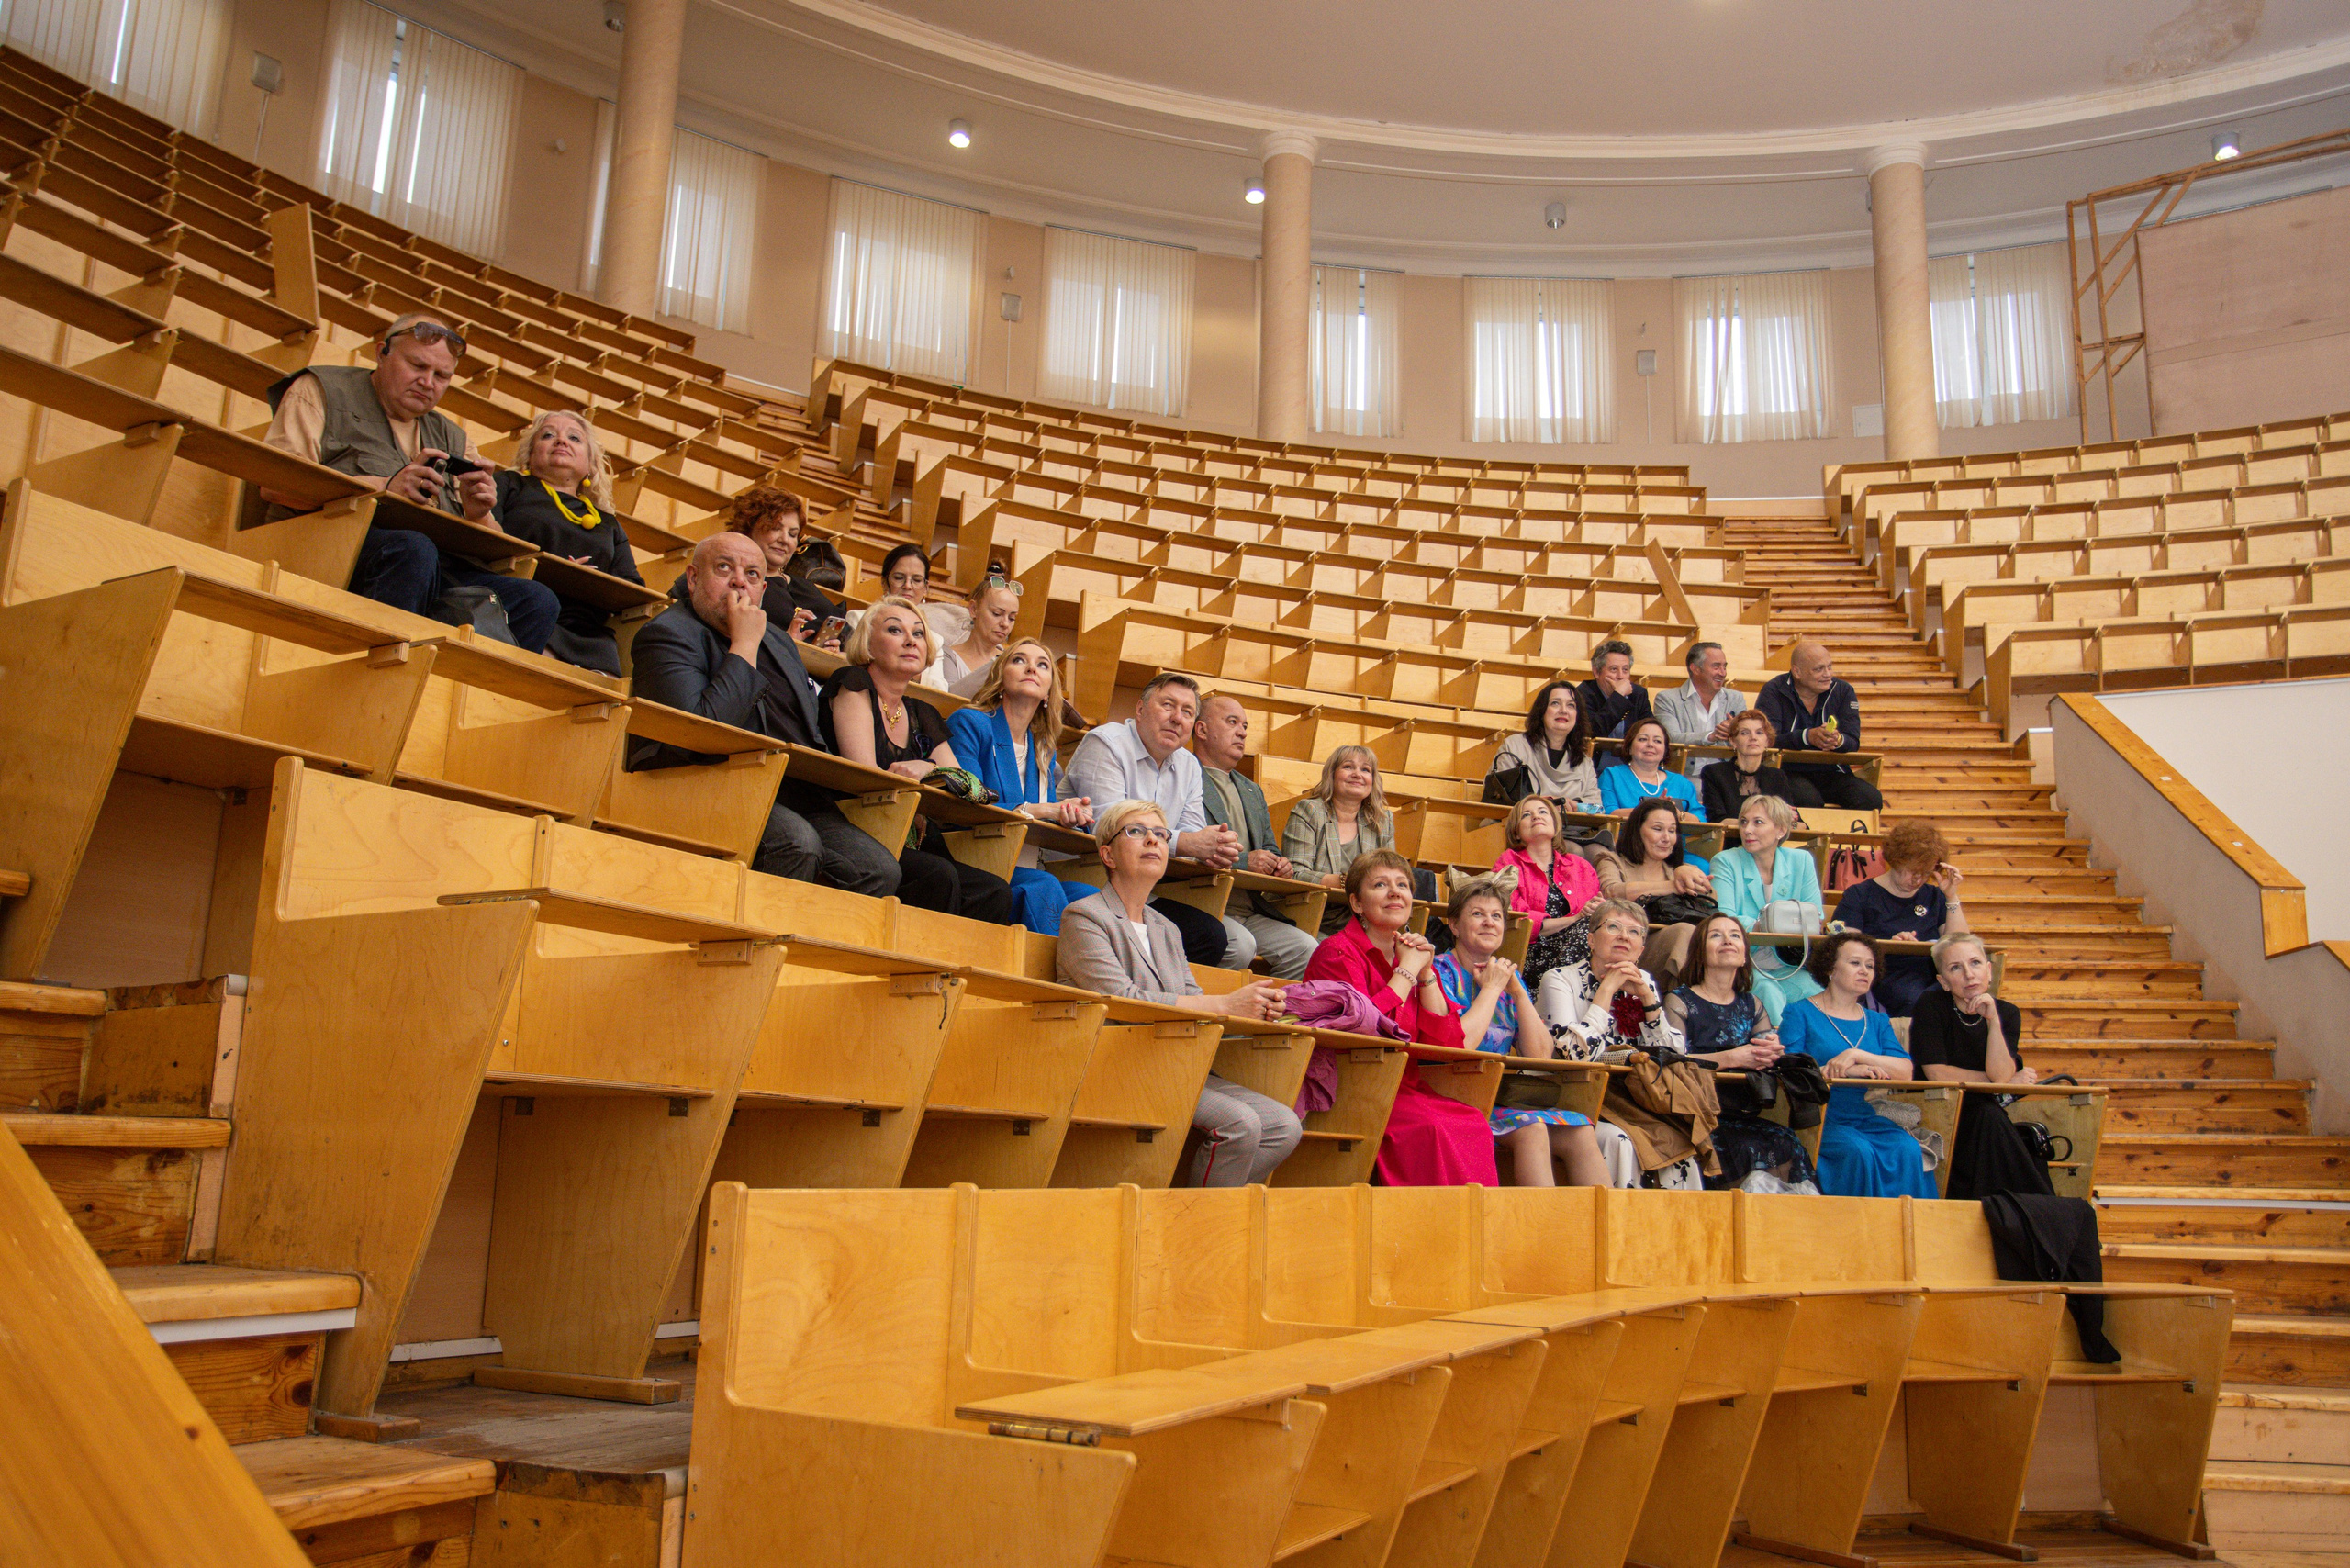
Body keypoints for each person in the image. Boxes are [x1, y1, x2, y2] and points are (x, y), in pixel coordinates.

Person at [260, 312, 557, 650]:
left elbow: (492, 542)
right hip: (328, 545)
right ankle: (381, 666)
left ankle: (470, 695)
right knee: (413, 549)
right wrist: (385, 486)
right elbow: (275, 484)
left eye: (442, 375)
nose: (428, 382)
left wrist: (478, 515)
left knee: (537, 599)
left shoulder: (454, 436)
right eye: (417, 366)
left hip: (431, 566)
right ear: (381, 353)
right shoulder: (320, 389)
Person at [625, 532, 900, 897]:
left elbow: (806, 729)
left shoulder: (778, 639)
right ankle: (759, 948)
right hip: (704, 779)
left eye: (753, 574)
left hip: (789, 785)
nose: (740, 581)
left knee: (879, 869)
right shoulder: (667, 633)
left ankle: (807, 951)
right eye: (724, 568)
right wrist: (744, 645)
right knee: (797, 844)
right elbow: (701, 732)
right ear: (693, 578)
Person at [1056, 801, 1300, 1186]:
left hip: (1174, 1058)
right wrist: (1224, 1003)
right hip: (1117, 1066)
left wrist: (1255, 1013)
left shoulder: (1166, 927)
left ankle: (1211, 1219)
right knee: (1242, 1123)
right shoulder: (1084, 916)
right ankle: (1200, 1231)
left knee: (1284, 1126)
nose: (1153, 839)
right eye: (1136, 831)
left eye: (1161, 834)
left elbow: (1191, 996)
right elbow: (1122, 1000)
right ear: (1108, 854)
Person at [819, 596, 1015, 924]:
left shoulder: (924, 712)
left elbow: (974, 788)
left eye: (919, 633)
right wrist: (928, 789)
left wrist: (931, 769)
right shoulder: (853, 685)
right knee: (937, 876)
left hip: (912, 833)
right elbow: (867, 780)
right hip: (855, 823)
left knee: (993, 890)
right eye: (895, 630)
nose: (911, 640)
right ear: (867, 645)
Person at [1304, 850, 1493, 1186]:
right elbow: (1365, 1029)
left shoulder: (1411, 956)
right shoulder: (1336, 951)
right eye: (1380, 884)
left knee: (1473, 1122)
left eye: (1403, 885)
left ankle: (1472, 1231)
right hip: (1351, 1084)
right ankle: (1422, 1229)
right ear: (1357, 904)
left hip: (1404, 1086)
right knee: (1431, 1128)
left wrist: (1425, 974)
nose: (1395, 892)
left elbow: (1445, 1045)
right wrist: (1407, 971)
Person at [1065, 673, 1257, 969]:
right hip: (1088, 878)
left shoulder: (1189, 764)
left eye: (1187, 712)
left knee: (1221, 940)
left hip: (1147, 888)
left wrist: (1217, 847)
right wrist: (1191, 843)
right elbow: (1108, 825)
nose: (1177, 718)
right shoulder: (1105, 742)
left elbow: (1193, 831)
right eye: (1168, 705)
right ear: (1140, 709)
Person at [1433, 876, 1610, 1188]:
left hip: (1497, 1096)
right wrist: (1492, 989)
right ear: (1455, 925)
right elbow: (1460, 1044)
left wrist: (1517, 992)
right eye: (1477, 914)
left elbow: (1540, 1056)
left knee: (1580, 1130)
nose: (1489, 923)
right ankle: (1538, 1231)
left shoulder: (1508, 980)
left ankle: (1605, 1233)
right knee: (1532, 1129)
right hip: (1450, 1092)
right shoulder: (1439, 971)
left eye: (1497, 916)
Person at [946, 638, 1097, 935]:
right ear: (1001, 677)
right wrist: (1040, 810)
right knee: (1044, 886)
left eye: (1043, 665)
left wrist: (1069, 815)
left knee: (1092, 897)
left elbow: (1047, 816)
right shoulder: (971, 723)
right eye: (1019, 660)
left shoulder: (1043, 747)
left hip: (1025, 863)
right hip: (975, 858)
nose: (1031, 668)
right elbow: (967, 803)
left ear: (1048, 692)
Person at [1775, 933, 1939, 1198]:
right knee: (1857, 1151)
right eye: (1855, 963)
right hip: (1818, 1116)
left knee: (1907, 1148)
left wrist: (1857, 1055)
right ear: (1830, 968)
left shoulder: (1877, 1021)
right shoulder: (1800, 1012)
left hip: (1861, 1115)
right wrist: (1845, 1070)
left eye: (1870, 966)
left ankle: (1912, 1232)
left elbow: (1905, 1071)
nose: (1864, 971)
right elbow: (1788, 1068)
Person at [1663, 914, 1819, 1192]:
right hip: (1699, 1115)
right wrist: (1732, 1058)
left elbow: (1764, 1054)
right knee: (1743, 1148)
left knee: (1787, 1142)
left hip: (1742, 1111)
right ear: (1700, 949)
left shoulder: (1752, 1004)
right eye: (1716, 935)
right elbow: (1673, 1063)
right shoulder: (1680, 1000)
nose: (1727, 941)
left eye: (1735, 935)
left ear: (1745, 952)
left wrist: (1771, 1052)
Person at [490, 410, 643, 676]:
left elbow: (632, 588)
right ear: (529, 454)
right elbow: (484, 542)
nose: (561, 441)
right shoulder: (508, 484)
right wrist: (559, 573)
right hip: (521, 608)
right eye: (548, 435)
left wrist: (589, 583)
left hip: (589, 632)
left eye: (574, 438)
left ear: (590, 464)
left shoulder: (608, 523)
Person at [1911, 933, 2052, 1200]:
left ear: (1989, 971)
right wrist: (2004, 1085)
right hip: (1940, 1107)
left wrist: (1993, 1022)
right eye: (1955, 968)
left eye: (1975, 963)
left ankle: (2012, 1209)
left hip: (1986, 1114)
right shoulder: (1930, 1006)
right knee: (1992, 1121)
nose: (1968, 975)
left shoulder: (2007, 1012)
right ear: (1942, 981)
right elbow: (1937, 1073)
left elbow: (1999, 1074)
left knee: (1991, 1120)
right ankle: (2033, 1207)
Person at [1191, 694, 1318, 979]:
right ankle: (1209, 1013)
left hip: (1250, 908)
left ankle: (1268, 1021)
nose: (1242, 732)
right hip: (1202, 902)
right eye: (1232, 722)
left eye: (1245, 726)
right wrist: (1246, 861)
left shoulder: (1252, 790)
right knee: (1240, 947)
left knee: (1306, 949)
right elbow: (1186, 846)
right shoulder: (1184, 775)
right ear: (1201, 730)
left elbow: (1270, 848)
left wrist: (1279, 865)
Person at [1708, 794, 1826, 1025]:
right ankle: (1779, 1056)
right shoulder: (1725, 861)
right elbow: (1724, 918)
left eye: (1758, 822)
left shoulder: (1801, 860)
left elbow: (1815, 917)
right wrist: (1777, 924)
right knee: (1769, 993)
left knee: (1815, 991)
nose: (1747, 830)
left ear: (1781, 830)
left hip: (1788, 962)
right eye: (1743, 822)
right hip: (1743, 962)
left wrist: (1768, 924)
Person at [1832, 821, 1969, 1017]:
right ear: (1896, 861)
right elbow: (1844, 947)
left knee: (1967, 994)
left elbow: (1961, 945)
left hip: (1935, 974)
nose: (1919, 880)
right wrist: (1889, 944)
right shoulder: (1860, 895)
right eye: (1913, 871)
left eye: (1926, 873)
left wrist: (1951, 897)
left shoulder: (1935, 895)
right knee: (1920, 1000)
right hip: (1887, 974)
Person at [1282, 745, 1408, 935]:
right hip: (1313, 918)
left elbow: (1391, 876)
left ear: (1373, 781)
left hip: (1365, 920)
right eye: (1348, 767)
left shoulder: (1382, 821)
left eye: (1365, 770)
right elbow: (1295, 874)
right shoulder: (1309, 811)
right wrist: (1346, 882)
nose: (1357, 774)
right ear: (1332, 775)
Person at [1757, 641, 1884, 812]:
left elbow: (1853, 741)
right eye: (1819, 669)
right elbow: (1767, 740)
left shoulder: (1843, 691)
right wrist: (1807, 737)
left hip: (1831, 771)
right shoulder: (1773, 691)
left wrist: (1838, 741)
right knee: (1808, 799)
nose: (1827, 675)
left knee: (1870, 798)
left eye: (1829, 667)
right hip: (1786, 769)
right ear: (1797, 672)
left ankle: (1843, 838)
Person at [1592, 798, 1713, 977]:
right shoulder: (1611, 860)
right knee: (1684, 932)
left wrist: (1694, 878)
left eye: (1672, 831)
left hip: (1677, 953)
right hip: (1626, 948)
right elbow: (1611, 892)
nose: (1666, 838)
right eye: (1657, 829)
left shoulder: (1680, 871)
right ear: (1637, 831)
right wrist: (1671, 886)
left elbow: (1711, 902)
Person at [1491, 795, 1602, 990]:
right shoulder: (1508, 864)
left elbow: (1594, 916)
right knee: (1586, 931)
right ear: (1516, 832)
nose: (1536, 817)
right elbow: (1521, 920)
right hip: (1529, 954)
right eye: (1527, 815)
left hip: (1580, 951)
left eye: (1543, 812)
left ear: (1555, 824)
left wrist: (1598, 909)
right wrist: (1575, 920)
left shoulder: (1580, 867)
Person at [727, 485, 843, 649]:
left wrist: (835, 649)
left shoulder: (805, 586)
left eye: (793, 534)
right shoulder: (736, 583)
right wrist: (786, 644)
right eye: (775, 528)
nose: (785, 540)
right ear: (748, 528)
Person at [1485, 680, 1602, 815]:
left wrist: (1575, 805)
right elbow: (1500, 799)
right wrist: (1548, 803)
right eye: (1555, 703)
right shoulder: (1514, 746)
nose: (1563, 710)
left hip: (1571, 832)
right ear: (1542, 711)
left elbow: (1597, 809)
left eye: (1571, 705)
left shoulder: (1584, 762)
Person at [1653, 642, 1747, 783]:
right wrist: (1711, 736)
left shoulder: (1735, 698)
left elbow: (1746, 740)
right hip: (1684, 777)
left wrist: (1736, 732)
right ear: (1695, 669)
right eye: (1716, 667)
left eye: (1724, 667)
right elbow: (1671, 739)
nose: (1723, 673)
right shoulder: (1667, 699)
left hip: (1727, 777)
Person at [928, 571, 1021, 698]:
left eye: (1012, 618)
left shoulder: (1013, 661)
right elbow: (949, 701)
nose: (1005, 624)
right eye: (997, 614)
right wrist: (996, 665)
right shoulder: (947, 656)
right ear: (973, 609)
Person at [1700, 710, 1801, 823]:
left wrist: (1792, 822)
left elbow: (1800, 824)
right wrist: (1770, 821)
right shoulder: (1714, 773)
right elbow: (1717, 820)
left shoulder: (1777, 776)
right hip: (1729, 840)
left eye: (1759, 732)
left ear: (1767, 741)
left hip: (1767, 839)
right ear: (1733, 741)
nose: (1753, 737)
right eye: (1744, 733)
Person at [1597, 717, 1703, 818]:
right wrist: (1654, 809)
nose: (1650, 744)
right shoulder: (1612, 776)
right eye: (1643, 739)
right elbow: (1608, 814)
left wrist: (1677, 814)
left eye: (1657, 741)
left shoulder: (1681, 783)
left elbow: (1700, 821)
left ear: (1665, 751)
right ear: (1629, 747)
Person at [1576, 640, 1652, 770]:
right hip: (1593, 770)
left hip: (1632, 769)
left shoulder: (1638, 694)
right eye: (1614, 669)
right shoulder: (1582, 694)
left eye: (1625, 670)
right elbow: (1593, 731)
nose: (1621, 676)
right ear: (1596, 672)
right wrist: (1619, 697)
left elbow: (1651, 729)